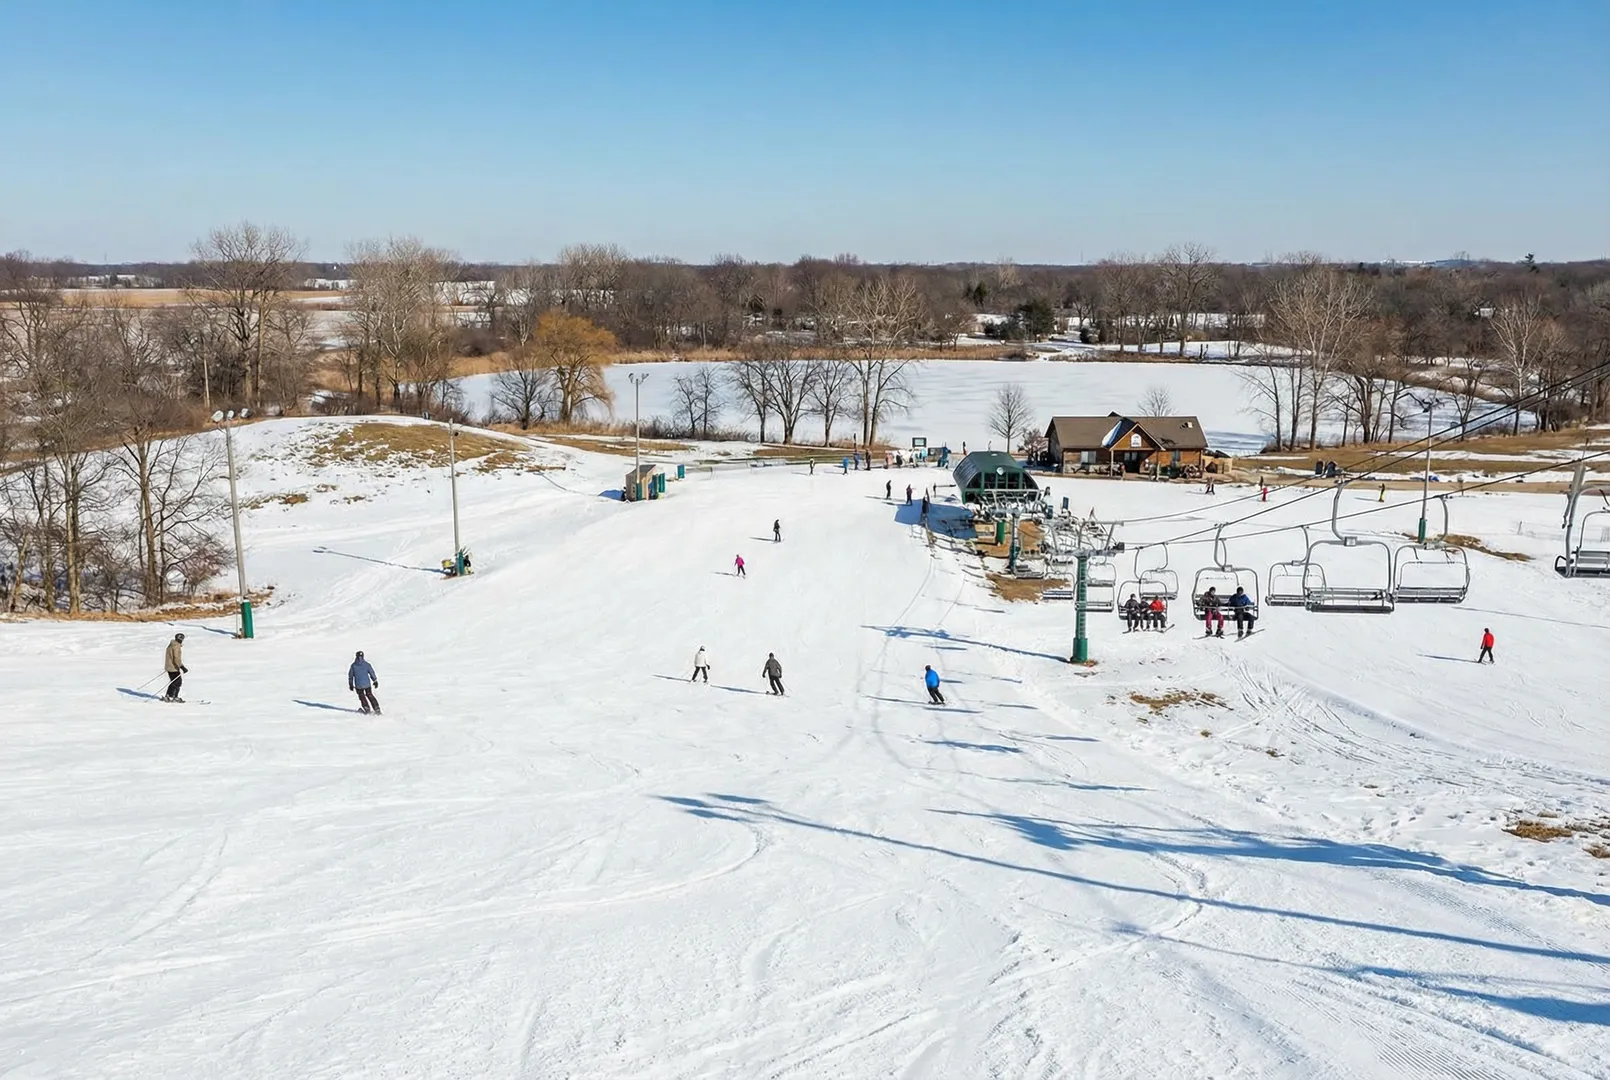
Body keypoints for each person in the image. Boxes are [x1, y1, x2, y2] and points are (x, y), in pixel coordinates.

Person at [163, 632, 188, 702]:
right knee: (177, 682)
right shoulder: (176, 646)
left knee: (174, 682)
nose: (182, 640)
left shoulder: (171, 645)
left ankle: (168, 695)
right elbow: (176, 658)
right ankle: (173, 696)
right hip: (173, 667)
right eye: (182, 638)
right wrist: (182, 667)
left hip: (169, 666)